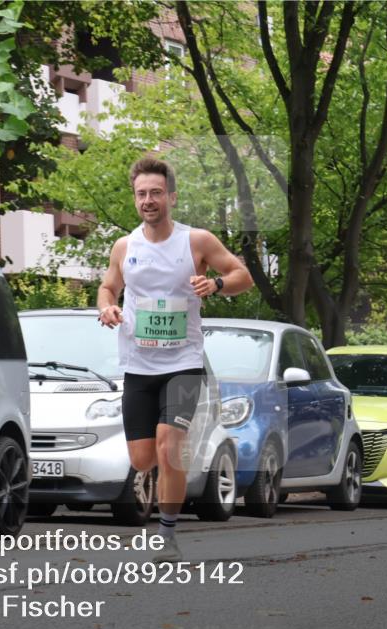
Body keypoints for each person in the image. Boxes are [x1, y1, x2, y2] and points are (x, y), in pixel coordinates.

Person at [97, 157, 253, 561]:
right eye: (141, 194)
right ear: (135, 199)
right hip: (137, 365)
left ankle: (166, 535)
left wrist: (216, 283)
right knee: (142, 458)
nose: (148, 200)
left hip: (183, 363)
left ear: (171, 196)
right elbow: (108, 287)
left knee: (168, 449)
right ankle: (165, 498)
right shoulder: (124, 246)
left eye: (155, 193)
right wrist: (107, 307)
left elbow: (242, 276)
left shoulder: (196, 241)